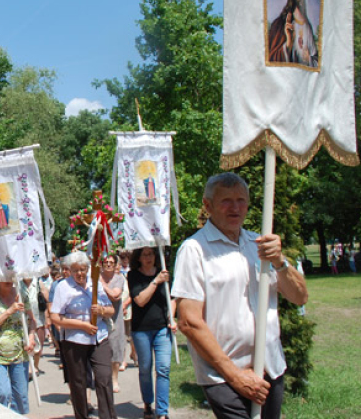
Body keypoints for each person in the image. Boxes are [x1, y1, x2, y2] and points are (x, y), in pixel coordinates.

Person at [172, 173, 308, 419]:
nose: (235, 207)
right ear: (207, 205)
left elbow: (300, 297)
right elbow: (189, 322)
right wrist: (235, 376)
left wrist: (279, 261)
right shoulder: (195, 250)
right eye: (226, 200)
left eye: (241, 200)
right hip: (225, 376)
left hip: (271, 368)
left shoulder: (260, 245)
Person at [50, 251, 117, 419]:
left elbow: (111, 310)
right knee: (78, 382)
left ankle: (108, 416)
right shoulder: (63, 287)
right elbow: (55, 316)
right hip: (74, 340)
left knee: (104, 378)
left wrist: (101, 310)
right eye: (76, 270)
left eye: (83, 269)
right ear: (69, 271)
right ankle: (82, 415)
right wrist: (81, 325)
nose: (80, 273)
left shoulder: (96, 284)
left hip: (99, 337)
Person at [128, 247, 177, 419]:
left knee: (163, 368)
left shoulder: (164, 272)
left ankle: (162, 411)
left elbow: (172, 298)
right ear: (139, 258)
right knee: (145, 368)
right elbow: (140, 300)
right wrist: (156, 281)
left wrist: (172, 317)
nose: (149, 258)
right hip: (142, 329)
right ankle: (148, 402)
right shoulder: (133, 276)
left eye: (151, 254)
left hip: (162, 328)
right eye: (145, 255)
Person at [0, 281, 37, 415]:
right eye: (4, 275)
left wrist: (31, 338)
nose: (8, 279)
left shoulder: (21, 293)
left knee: (20, 396)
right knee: (2, 393)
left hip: (19, 353)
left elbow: (32, 321)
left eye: (10, 275)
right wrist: (9, 311)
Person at [267, 0, 318, 67]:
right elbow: (271, 59)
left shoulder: (307, 26)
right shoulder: (281, 23)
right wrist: (288, 44)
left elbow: (316, 60)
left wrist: (309, 59)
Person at [100, 254, 125, 393]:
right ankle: (103, 377)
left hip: (115, 318)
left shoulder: (119, 279)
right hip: (100, 318)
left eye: (111, 262)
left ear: (115, 265)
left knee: (116, 348)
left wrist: (102, 285)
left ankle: (114, 378)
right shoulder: (96, 277)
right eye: (106, 262)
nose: (108, 264)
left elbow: (115, 296)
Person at [117, 250, 137, 371]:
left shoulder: (128, 275)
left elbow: (132, 293)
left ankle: (134, 354)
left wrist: (125, 305)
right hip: (118, 310)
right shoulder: (113, 279)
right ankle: (122, 360)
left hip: (129, 309)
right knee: (122, 336)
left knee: (132, 335)